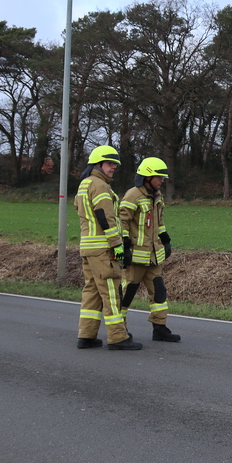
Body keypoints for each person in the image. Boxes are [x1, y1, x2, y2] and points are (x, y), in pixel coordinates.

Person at [74, 145, 139, 350]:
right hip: (103, 250)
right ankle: (118, 337)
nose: (114, 167)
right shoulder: (100, 186)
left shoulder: (85, 184)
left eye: (115, 164)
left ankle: (86, 335)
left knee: (92, 292)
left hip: (88, 248)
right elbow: (106, 219)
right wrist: (118, 247)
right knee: (112, 292)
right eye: (110, 164)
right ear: (98, 164)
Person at [118, 157, 180, 343]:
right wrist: (125, 247)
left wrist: (165, 240)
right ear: (147, 177)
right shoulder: (132, 195)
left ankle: (159, 328)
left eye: (163, 177)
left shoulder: (157, 196)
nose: (162, 181)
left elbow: (158, 222)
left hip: (153, 257)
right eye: (159, 177)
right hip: (135, 257)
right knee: (127, 293)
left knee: (159, 292)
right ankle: (119, 329)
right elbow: (122, 222)